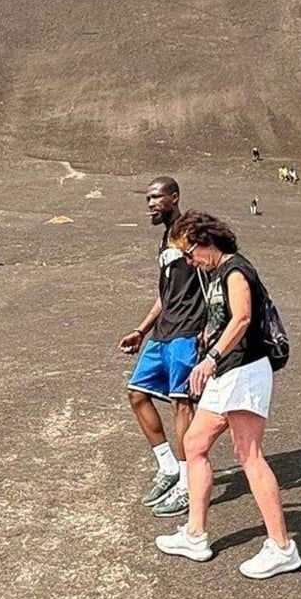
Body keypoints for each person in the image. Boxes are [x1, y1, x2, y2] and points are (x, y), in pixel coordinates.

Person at [154, 210, 301, 579]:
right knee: (195, 443)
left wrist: (211, 359)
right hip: (227, 372)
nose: (189, 261)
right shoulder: (216, 274)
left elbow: (243, 318)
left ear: (207, 242)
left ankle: (283, 547)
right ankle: (195, 535)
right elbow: (224, 319)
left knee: (249, 455)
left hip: (244, 370)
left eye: (190, 253)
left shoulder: (236, 269)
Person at [119, 177, 207, 517]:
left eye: (156, 197)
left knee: (181, 404)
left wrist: (210, 327)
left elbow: (213, 275)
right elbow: (166, 294)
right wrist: (141, 330)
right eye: (148, 199)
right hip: (163, 332)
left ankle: (187, 483)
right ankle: (168, 466)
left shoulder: (191, 233)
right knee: (137, 393)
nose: (150, 204)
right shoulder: (167, 236)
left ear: (174, 197)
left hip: (187, 332)